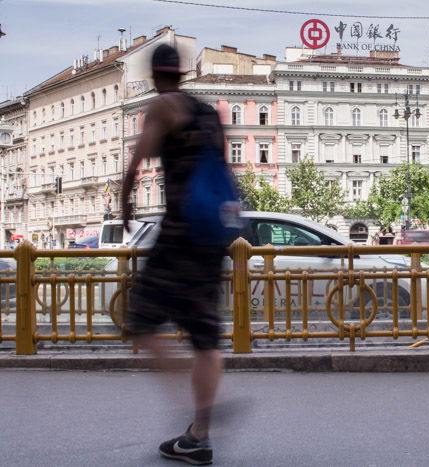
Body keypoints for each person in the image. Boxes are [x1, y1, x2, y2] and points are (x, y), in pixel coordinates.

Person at [121, 43, 227, 466]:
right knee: (205, 337)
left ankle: (190, 405)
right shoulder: (207, 112)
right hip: (212, 234)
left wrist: (126, 201)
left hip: (180, 233)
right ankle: (199, 434)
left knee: (140, 321)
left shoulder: (163, 105)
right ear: (181, 71)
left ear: (154, 74)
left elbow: (137, 161)